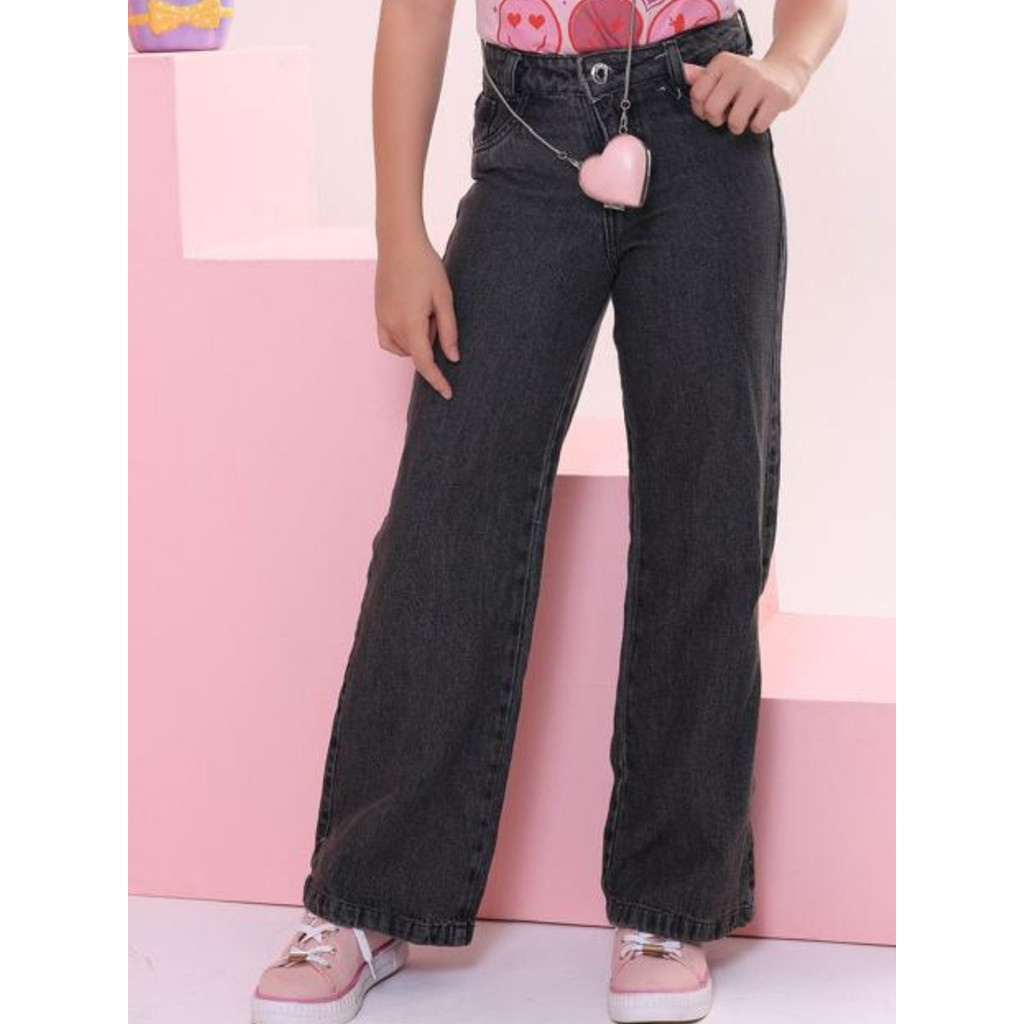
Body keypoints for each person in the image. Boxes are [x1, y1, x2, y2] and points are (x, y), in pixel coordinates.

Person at [251, 1, 845, 1022]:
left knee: (707, 512)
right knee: (448, 514)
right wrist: (399, 234)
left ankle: (668, 902)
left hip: (706, 128)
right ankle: (369, 893)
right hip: (530, 136)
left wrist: (789, 62)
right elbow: (414, 16)